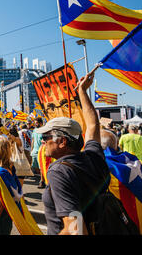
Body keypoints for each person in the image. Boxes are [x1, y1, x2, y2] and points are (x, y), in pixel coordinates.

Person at [39, 72, 110, 235]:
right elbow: (93, 125)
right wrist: (82, 92)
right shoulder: (92, 155)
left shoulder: (59, 171)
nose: (43, 141)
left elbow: (75, 230)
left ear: (62, 142)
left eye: (46, 136)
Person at [31, 117, 46, 188]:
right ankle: (42, 178)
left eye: (36, 123)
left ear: (41, 123)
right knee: (35, 167)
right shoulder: (34, 130)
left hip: (41, 151)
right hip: (34, 151)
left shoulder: (44, 130)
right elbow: (33, 140)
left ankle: (42, 181)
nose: (35, 124)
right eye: (35, 123)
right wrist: (31, 149)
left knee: (41, 167)